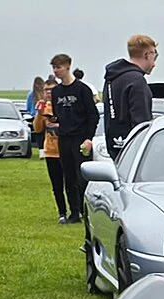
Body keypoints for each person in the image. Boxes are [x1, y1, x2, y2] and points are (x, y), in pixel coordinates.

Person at [48, 55, 98, 225]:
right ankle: (74, 212)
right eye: (54, 68)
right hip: (64, 138)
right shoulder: (56, 92)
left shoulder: (82, 89)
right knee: (68, 177)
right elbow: (58, 115)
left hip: (81, 138)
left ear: (68, 67)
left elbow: (93, 115)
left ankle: (87, 211)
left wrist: (89, 138)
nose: (56, 71)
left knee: (82, 176)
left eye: (59, 67)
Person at [103, 34, 157, 155]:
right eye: (154, 56)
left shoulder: (112, 78)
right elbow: (141, 122)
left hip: (115, 147)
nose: (154, 64)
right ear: (147, 55)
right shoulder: (137, 81)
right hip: (133, 151)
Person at [34, 79, 68, 222]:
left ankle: (77, 210)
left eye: (51, 90)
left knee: (71, 183)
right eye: (46, 90)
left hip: (66, 150)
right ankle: (62, 212)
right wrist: (39, 114)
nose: (48, 93)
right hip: (51, 151)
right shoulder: (45, 108)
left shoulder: (63, 106)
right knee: (57, 185)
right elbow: (37, 129)